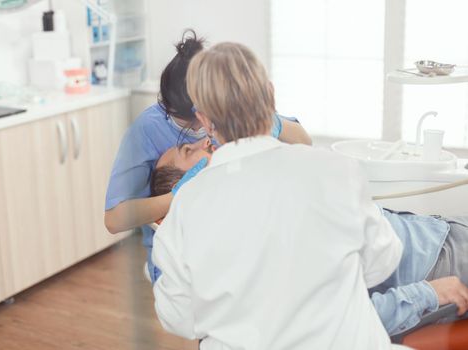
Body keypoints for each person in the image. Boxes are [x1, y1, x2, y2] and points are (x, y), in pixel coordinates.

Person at [152, 42, 406, 349]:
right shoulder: (336, 169)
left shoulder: (186, 206)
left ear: (204, 120)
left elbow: (178, 317)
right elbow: (383, 261)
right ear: (271, 95)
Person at [150, 138, 468, 336]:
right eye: (189, 150)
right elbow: (342, 322)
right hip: (440, 264)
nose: (205, 142)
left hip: (437, 234)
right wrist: (427, 294)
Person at [104, 29, 311, 282]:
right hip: (181, 249)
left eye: (207, 121)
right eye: (189, 126)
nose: (204, 134)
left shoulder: (226, 111)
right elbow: (114, 219)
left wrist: (270, 121)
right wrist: (178, 196)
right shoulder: (146, 131)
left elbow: (303, 142)